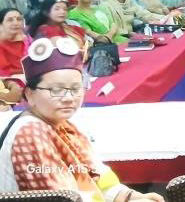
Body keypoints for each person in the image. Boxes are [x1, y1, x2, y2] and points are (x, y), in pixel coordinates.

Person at [0, 38, 164, 201]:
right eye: (56, 90)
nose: (69, 98)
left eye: (76, 88)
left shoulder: (63, 124)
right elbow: (66, 198)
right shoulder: (30, 134)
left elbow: (97, 175)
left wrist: (131, 197)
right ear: (29, 94)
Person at [0, 8, 26, 77]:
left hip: (30, 76)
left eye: (19, 19)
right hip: (8, 80)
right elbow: (3, 71)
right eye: (10, 20)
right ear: (1, 25)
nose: (16, 23)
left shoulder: (27, 40)